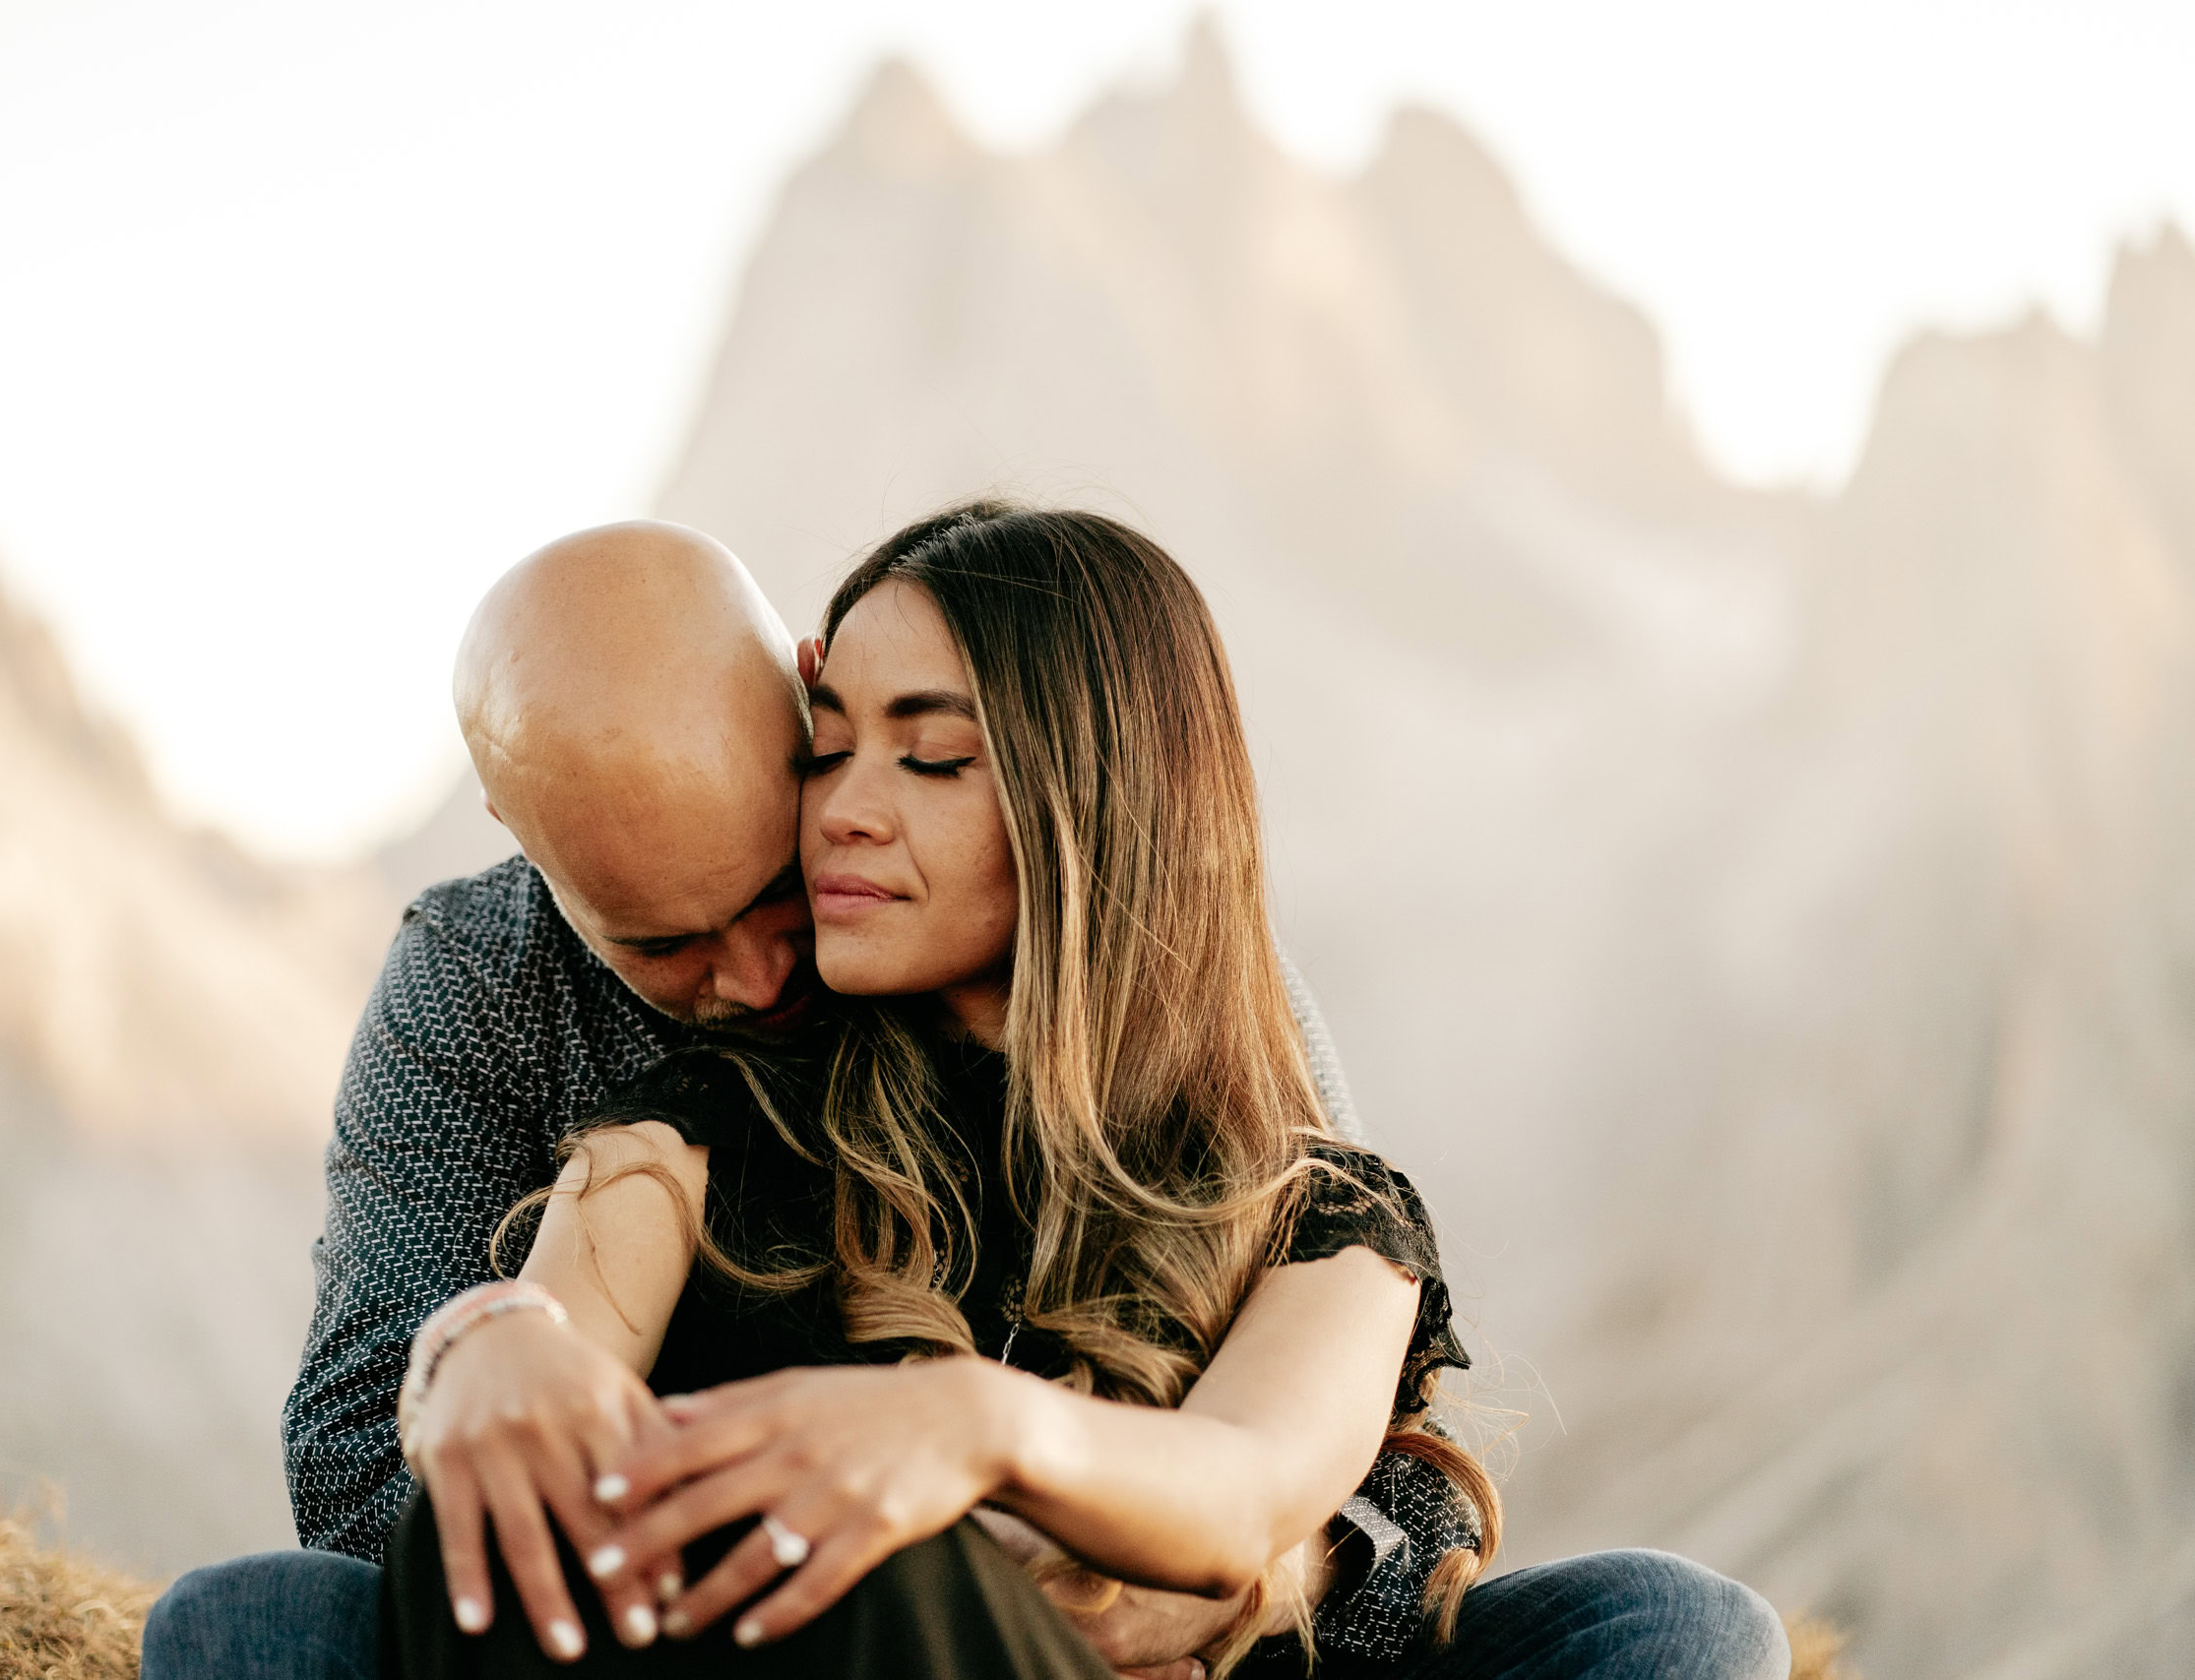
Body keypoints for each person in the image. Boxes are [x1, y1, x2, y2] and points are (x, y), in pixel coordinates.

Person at [144, 515, 1787, 1680]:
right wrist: (488, 1347)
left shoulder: (1283, 1151)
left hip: (1168, 1631)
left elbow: (1297, 1479)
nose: (828, 853)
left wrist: (1040, 1482)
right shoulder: (683, 1093)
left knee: (1675, 1631)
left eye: (923, 760)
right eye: (839, 754)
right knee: (255, 1624)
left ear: (1086, 814)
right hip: (751, 1628)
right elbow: (447, 1419)